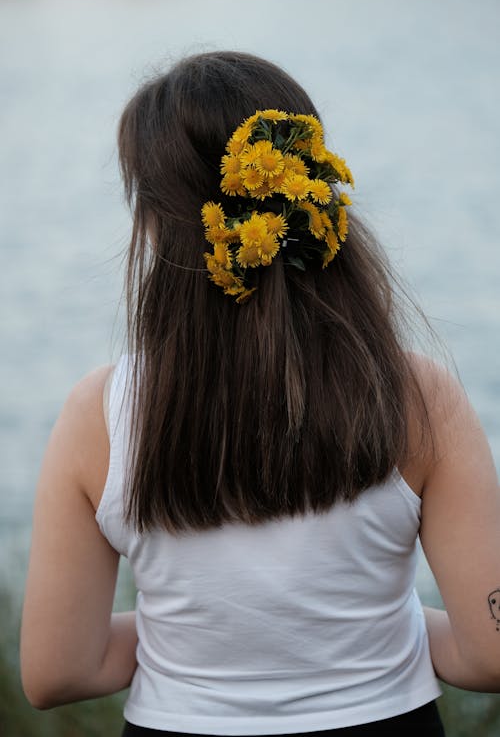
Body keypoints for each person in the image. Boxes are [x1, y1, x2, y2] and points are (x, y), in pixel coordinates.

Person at [20, 51, 500, 736]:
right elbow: (491, 653)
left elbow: (58, 670)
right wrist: (370, 626)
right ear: (316, 191)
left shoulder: (97, 415)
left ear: (157, 224)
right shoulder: (418, 395)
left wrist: (188, 634)